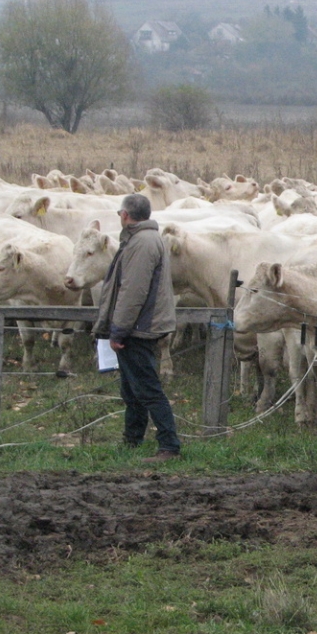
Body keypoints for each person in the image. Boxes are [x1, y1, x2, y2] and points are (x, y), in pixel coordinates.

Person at [93, 193, 181, 463]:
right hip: (141, 323)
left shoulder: (141, 243)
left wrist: (119, 330)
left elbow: (133, 291)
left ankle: (169, 446)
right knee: (132, 389)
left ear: (125, 215)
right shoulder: (144, 239)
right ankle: (132, 440)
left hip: (139, 326)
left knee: (147, 388)